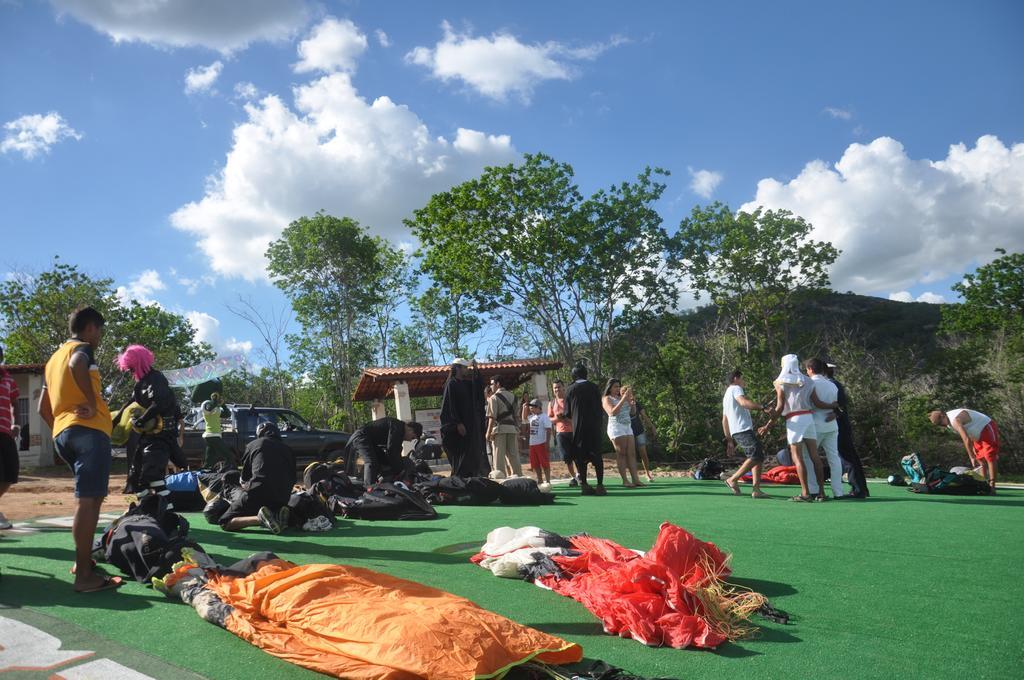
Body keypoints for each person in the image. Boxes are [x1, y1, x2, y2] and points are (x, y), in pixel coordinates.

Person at [38, 306, 122, 592]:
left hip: (64, 432)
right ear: (89, 328)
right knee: (88, 501)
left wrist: (60, 428)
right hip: (89, 431)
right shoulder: (82, 348)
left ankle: (82, 561)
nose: (99, 337)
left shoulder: (51, 360)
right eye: (99, 331)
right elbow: (77, 364)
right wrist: (90, 400)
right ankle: (84, 576)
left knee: (89, 500)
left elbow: (42, 407)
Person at [114, 345, 186, 499]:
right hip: (147, 437)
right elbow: (130, 402)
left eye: (132, 368)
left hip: (161, 437)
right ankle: (146, 507)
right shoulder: (141, 383)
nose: (131, 371)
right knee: (137, 476)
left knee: (151, 475)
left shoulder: (157, 379)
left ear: (139, 363)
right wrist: (115, 420)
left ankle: (167, 511)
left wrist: (141, 420)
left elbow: (158, 403)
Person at [759, 354, 825, 502]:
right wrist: (832, 406)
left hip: (794, 419)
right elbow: (816, 402)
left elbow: (780, 406)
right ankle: (821, 493)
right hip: (809, 417)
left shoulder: (780, 382)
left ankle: (805, 493)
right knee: (815, 456)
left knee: (797, 457)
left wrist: (768, 425)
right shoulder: (808, 381)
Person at [220, 421, 296, 533]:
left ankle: (259, 518)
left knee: (224, 522)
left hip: (257, 493)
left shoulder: (253, 445)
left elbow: (244, 478)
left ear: (260, 432)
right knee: (269, 501)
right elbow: (293, 478)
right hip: (283, 497)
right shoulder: (289, 450)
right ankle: (277, 514)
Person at [721, 369, 770, 499]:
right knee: (756, 456)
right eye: (742, 378)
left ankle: (756, 489)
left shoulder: (726, 394)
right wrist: (762, 407)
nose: (744, 381)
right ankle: (733, 479)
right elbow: (743, 403)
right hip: (742, 429)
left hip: (737, 431)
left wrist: (729, 440)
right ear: (736, 378)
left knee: (757, 456)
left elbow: (724, 419)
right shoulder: (736, 388)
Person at [440, 358, 490, 478]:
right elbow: (449, 406)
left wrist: (476, 370)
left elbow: (478, 389)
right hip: (458, 431)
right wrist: (457, 423)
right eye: (465, 368)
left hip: (469, 430)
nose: (467, 370)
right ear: (457, 368)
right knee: (460, 462)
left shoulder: (465, 384)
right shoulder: (451, 384)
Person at [929, 408, 1000, 492]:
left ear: (942, 416)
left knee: (989, 456)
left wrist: (971, 457)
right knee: (980, 459)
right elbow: (968, 434)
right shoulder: (948, 424)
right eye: (938, 425)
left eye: (940, 423)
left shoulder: (954, 420)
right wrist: (973, 451)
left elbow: (966, 439)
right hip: (975, 434)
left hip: (986, 426)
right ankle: (983, 484)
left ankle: (992, 486)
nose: (941, 426)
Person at [825, 362, 869, 498]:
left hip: (839, 425)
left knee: (846, 457)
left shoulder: (832, 385)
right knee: (850, 456)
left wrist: (836, 414)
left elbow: (841, 405)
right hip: (842, 424)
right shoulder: (834, 384)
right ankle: (860, 488)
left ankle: (858, 489)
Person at [805, 358, 846, 499]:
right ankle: (838, 491)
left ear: (810, 369)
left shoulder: (809, 384)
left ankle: (813, 489)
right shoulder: (832, 385)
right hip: (831, 425)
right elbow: (837, 404)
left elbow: (809, 404)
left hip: (814, 426)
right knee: (834, 458)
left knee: (808, 457)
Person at [564, 363, 606, 496]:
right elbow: (600, 409)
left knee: (580, 457)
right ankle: (600, 485)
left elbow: (567, 413)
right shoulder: (594, 387)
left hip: (579, 428)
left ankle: (585, 485)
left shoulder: (570, 389)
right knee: (597, 456)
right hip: (594, 427)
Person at [346, 417, 423, 484]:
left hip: (370, 441)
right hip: (361, 437)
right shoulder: (398, 427)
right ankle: (369, 488)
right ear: (411, 430)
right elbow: (392, 451)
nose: (410, 440)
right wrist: (400, 471)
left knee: (384, 461)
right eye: (412, 438)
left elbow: (394, 451)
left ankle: (381, 482)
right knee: (371, 462)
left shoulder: (399, 429)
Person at [603, 378, 643, 488]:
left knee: (632, 453)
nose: (617, 389)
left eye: (618, 386)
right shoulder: (607, 398)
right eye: (615, 386)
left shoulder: (622, 398)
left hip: (627, 427)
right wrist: (623, 399)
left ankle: (636, 479)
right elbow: (612, 412)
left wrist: (632, 403)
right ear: (610, 387)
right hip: (616, 428)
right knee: (622, 453)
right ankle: (625, 480)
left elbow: (633, 413)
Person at [0, 345, 21, 530]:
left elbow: (15, 403)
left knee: (10, 474)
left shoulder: (8, 380)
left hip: (5, 432)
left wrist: (16, 423)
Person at [486, 376, 521, 479]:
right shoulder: (513, 396)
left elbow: (492, 418)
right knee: (514, 457)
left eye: (492, 384)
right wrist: (517, 428)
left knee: (498, 458)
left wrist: (488, 433)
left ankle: (500, 482)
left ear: (498, 384)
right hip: (512, 429)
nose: (491, 386)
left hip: (500, 430)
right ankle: (519, 480)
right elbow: (516, 416)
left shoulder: (493, 398)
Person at [547, 380, 578, 485]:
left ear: (563, 387)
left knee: (577, 456)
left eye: (559, 387)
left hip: (574, 432)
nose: (557, 389)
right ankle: (574, 477)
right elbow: (549, 419)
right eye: (555, 388)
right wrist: (558, 418)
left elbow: (577, 416)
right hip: (561, 433)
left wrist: (567, 419)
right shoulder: (551, 403)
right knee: (567, 458)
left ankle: (580, 475)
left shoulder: (570, 400)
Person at [201, 391, 235, 469]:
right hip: (212, 435)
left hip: (214, 435)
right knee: (228, 456)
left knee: (209, 459)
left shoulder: (215, 409)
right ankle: (228, 470)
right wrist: (215, 400)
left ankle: (206, 471)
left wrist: (223, 405)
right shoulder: (206, 404)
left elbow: (227, 414)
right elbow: (209, 408)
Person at [523, 398, 552, 485]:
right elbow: (524, 418)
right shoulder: (532, 417)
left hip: (541, 443)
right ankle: (540, 480)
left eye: (532, 407)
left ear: (538, 407)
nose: (531, 409)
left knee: (544, 463)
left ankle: (548, 481)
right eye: (530, 407)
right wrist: (525, 408)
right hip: (532, 444)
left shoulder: (544, 417)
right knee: (535, 464)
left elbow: (548, 430)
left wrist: (547, 443)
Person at [631, 399, 655, 483]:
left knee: (643, 453)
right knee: (631, 454)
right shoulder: (621, 404)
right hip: (628, 432)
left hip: (639, 431)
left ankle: (647, 473)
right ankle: (634, 476)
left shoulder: (636, 403)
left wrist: (651, 426)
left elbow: (644, 415)